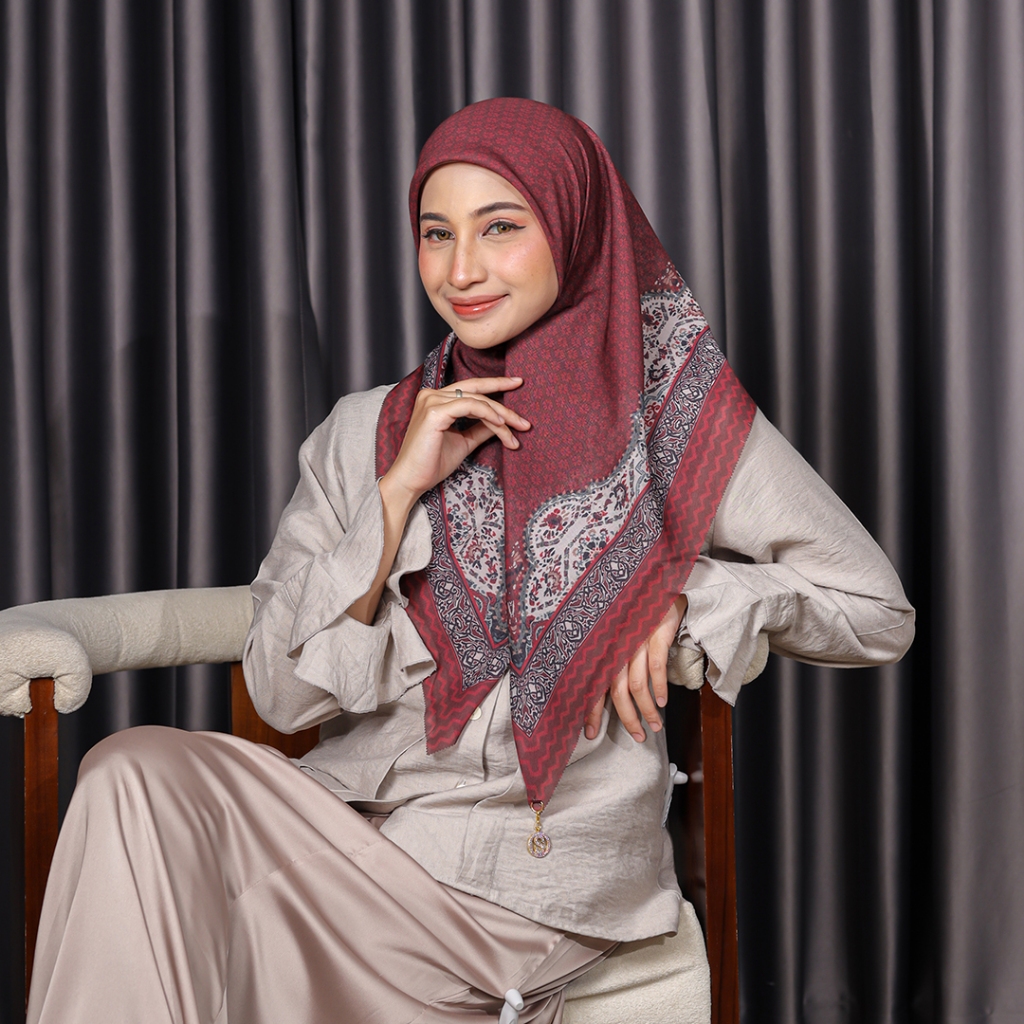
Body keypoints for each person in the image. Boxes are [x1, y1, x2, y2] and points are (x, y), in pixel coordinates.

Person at [26, 98, 914, 1024]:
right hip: (346, 831)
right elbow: (283, 700)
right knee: (130, 771)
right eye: (436, 233)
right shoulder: (365, 433)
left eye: (501, 228)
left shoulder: (676, 422)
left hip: (528, 886)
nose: (460, 271)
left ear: (574, 228)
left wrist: (682, 595)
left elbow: (877, 611)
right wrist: (395, 494)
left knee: (189, 917)